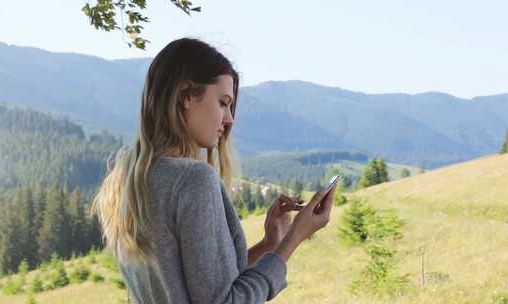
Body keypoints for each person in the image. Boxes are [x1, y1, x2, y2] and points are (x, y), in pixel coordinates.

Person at [92, 37, 337, 304]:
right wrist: (294, 237)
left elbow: (200, 285)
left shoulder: (126, 180)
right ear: (187, 96)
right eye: (222, 102)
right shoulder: (192, 179)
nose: (230, 118)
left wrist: (270, 244)